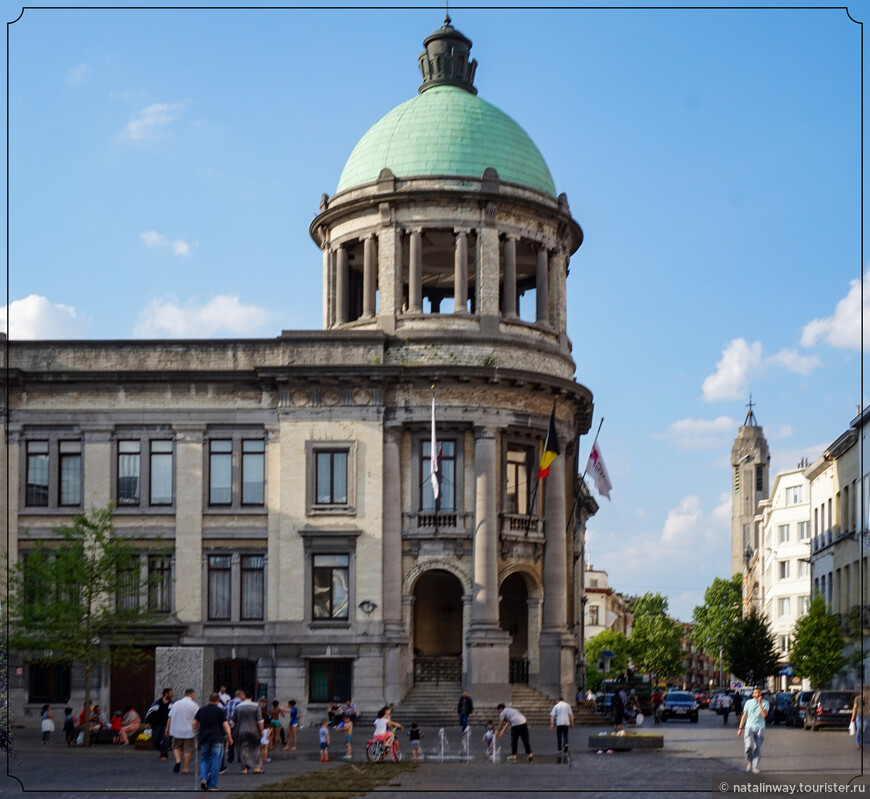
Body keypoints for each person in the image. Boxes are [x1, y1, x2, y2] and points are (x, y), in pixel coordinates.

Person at [193, 692, 232, 792]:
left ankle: (204, 778)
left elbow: (194, 724)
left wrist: (197, 732)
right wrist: (230, 737)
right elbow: (226, 726)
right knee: (216, 761)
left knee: (204, 759)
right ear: (218, 701)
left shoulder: (201, 710)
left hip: (204, 738)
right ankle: (213, 785)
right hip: (217, 738)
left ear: (208, 699)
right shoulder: (220, 711)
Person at [737, 686, 769, 774]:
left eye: (759, 692)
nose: (758, 694)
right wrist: (740, 728)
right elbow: (744, 716)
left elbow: (764, 715)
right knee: (749, 746)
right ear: (752, 694)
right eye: (756, 692)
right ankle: (749, 762)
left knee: (757, 747)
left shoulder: (765, 702)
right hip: (749, 727)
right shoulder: (748, 702)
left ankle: (755, 766)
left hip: (760, 728)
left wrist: (760, 703)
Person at [166, 688, 199, 775]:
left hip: (176, 729)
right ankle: (185, 767)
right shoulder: (194, 705)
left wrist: (167, 728)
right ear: (192, 695)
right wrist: (198, 729)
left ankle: (178, 760)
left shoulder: (176, 704)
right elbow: (197, 719)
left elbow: (170, 717)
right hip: (189, 731)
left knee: (176, 746)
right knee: (188, 749)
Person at [233, 690, 265, 775]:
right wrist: (261, 731)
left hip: (241, 730)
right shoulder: (256, 706)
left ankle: (244, 769)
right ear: (251, 697)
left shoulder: (238, 706)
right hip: (254, 730)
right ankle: (256, 767)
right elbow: (260, 720)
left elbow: (234, 721)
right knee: (256, 749)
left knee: (243, 749)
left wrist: (234, 730)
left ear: (244, 697)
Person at [144, 688, 173, 760]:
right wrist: (148, 722)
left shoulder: (172, 704)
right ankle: (161, 749)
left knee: (166, 739)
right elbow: (150, 712)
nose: (172, 694)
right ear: (166, 694)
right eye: (171, 693)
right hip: (156, 724)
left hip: (167, 725)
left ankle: (164, 755)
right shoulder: (157, 702)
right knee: (155, 739)